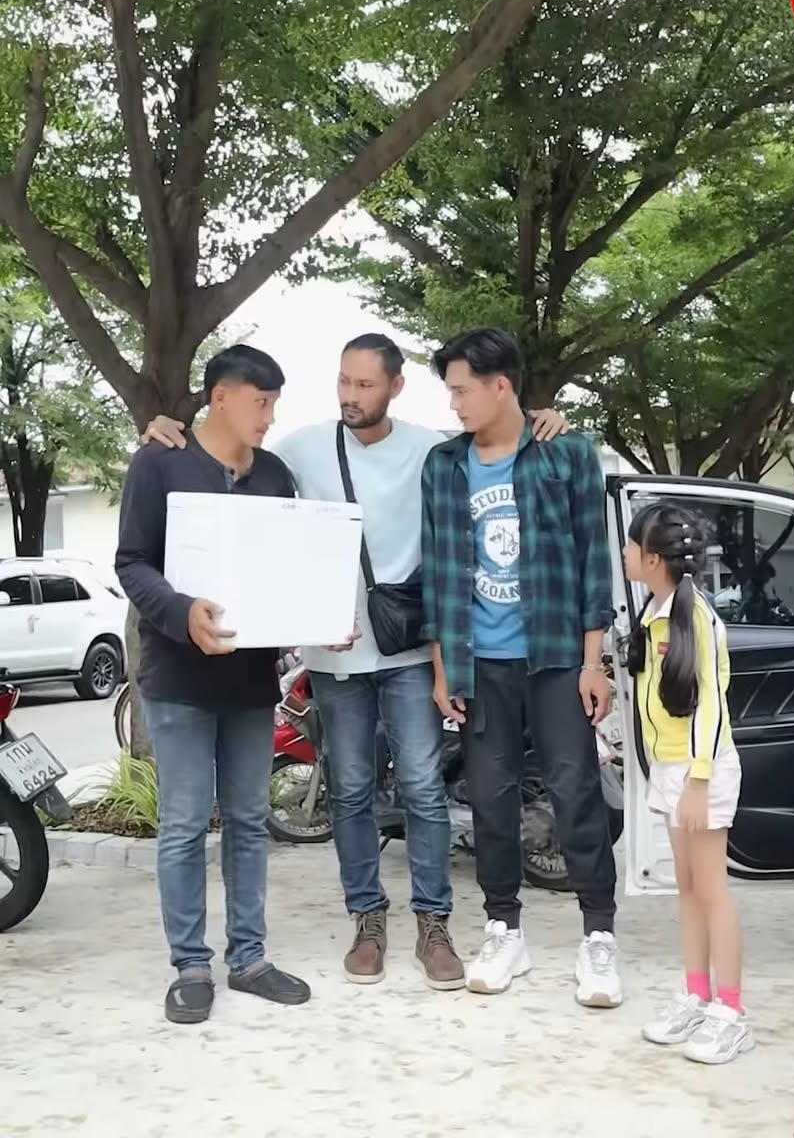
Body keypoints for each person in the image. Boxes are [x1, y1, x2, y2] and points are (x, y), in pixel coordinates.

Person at [140, 332, 568, 991]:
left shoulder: (429, 448)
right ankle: (366, 919)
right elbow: (231, 469)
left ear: (396, 387)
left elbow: (494, 437)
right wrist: (163, 426)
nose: (350, 395)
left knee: (422, 786)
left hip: (406, 652)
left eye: (364, 385)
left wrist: (542, 418)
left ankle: (432, 922)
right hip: (329, 659)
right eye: (343, 381)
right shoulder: (295, 451)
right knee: (349, 792)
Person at [421, 327, 622, 1004]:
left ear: (500, 385)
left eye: (462, 390)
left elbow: (594, 561)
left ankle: (599, 936)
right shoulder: (445, 466)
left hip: (557, 656)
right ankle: (503, 928)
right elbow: (439, 574)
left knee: (576, 790)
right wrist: (444, 668)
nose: (454, 404)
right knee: (490, 797)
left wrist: (593, 662)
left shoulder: (565, 454)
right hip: (481, 663)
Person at [115, 344, 310, 1024]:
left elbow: (287, 568)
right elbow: (132, 563)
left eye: (274, 404)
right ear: (220, 398)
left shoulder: (275, 476)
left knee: (251, 822)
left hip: (251, 682)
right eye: (260, 402)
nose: (268, 416)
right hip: (178, 679)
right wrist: (181, 612)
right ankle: (190, 966)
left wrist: (316, 617)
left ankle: (249, 958)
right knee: (184, 825)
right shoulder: (159, 464)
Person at [623, 502, 752, 1065]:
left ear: (653, 559)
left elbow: (711, 707)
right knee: (688, 888)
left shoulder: (696, 617)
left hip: (703, 771)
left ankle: (731, 1012)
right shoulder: (655, 612)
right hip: (673, 770)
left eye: (631, 546)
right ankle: (697, 996)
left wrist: (699, 779)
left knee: (712, 890)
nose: (624, 553)